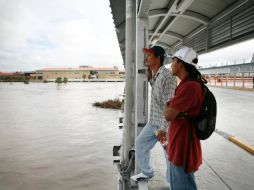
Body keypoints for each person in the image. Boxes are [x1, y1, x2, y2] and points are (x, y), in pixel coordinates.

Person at [131, 46, 177, 183]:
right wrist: (150, 79)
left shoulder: (167, 77)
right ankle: (147, 172)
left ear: (158, 58)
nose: (146, 58)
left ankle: (173, 184)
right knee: (140, 143)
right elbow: (159, 94)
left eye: (149, 56)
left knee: (169, 156)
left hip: (164, 125)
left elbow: (170, 105)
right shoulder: (156, 75)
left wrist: (163, 128)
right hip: (153, 122)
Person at [163, 46, 203, 190]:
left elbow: (168, 115)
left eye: (173, 61)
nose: (171, 64)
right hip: (180, 143)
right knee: (185, 184)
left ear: (180, 63)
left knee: (181, 185)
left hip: (182, 146)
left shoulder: (190, 87)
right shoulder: (188, 84)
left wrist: (168, 105)